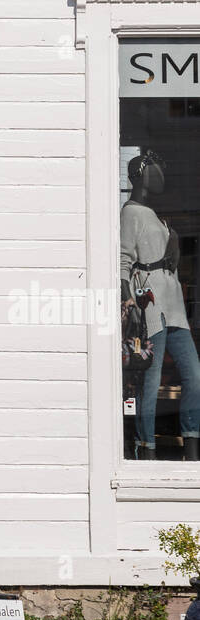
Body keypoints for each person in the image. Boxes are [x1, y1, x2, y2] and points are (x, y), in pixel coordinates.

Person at [120, 150, 200, 460]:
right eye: (156, 168)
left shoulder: (153, 214)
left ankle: (191, 441)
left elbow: (168, 257)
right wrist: (128, 299)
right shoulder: (131, 212)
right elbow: (123, 260)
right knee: (149, 383)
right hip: (151, 307)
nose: (163, 175)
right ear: (141, 174)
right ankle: (146, 446)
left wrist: (175, 238)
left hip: (175, 307)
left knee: (194, 375)